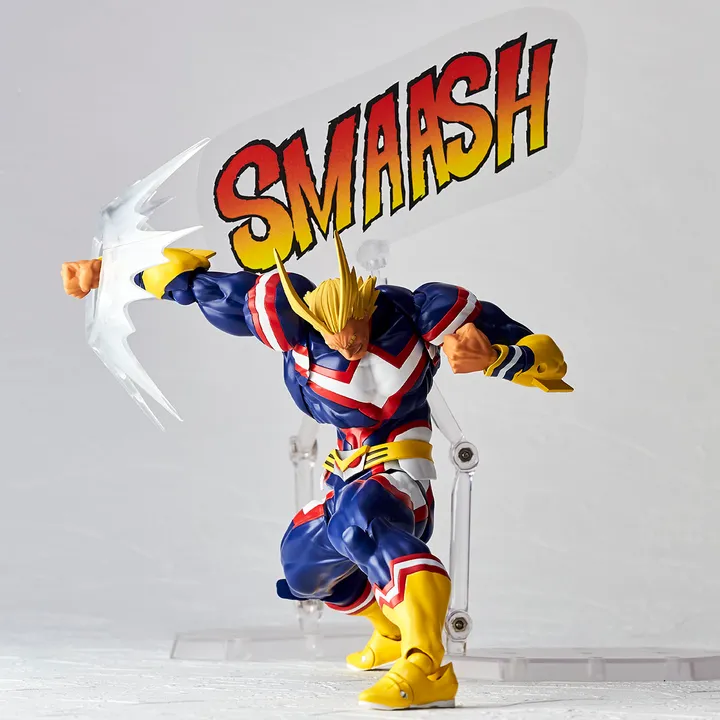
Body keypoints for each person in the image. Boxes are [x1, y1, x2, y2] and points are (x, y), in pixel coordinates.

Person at [61, 231, 572, 710]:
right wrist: (108, 272)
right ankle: (391, 629)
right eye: (334, 336)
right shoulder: (293, 328)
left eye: (354, 333)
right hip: (344, 471)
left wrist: (497, 355)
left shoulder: (420, 314)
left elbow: (549, 358)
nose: (347, 346)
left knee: (359, 520)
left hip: (402, 474)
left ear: (365, 308)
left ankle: (428, 665)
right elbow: (190, 284)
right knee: (302, 564)